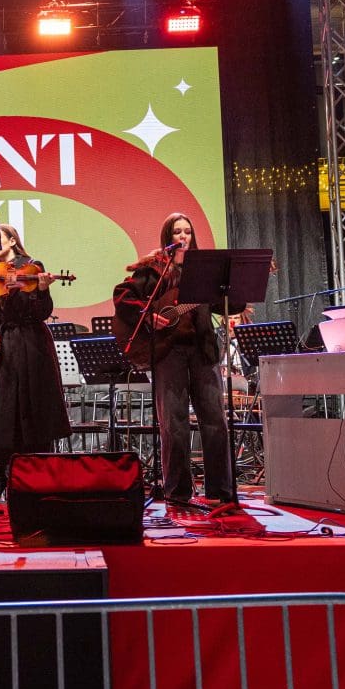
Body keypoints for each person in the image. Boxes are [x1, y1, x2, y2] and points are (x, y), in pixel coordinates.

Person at [112, 212, 233, 504]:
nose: (183, 236)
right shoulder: (154, 269)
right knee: (174, 424)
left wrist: (235, 288)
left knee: (215, 420)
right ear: (168, 237)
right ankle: (178, 493)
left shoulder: (204, 269)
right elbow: (122, 296)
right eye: (177, 232)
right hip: (168, 352)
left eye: (187, 232)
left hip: (202, 350)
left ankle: (220, 491)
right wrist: (148, 315)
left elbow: (225, 303)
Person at [0, 223, 72, 502]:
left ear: (12, 240)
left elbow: (42, 312)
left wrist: (43, 291)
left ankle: (37, 478)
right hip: (8, 346)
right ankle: (0, 478)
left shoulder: (32, 267)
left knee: (35, 409)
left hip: (33, 345)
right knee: (4, 413)